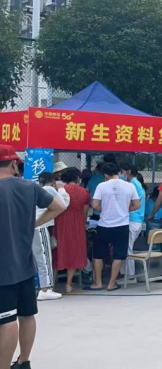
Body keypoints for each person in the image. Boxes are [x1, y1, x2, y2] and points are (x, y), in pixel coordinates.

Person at [0, 145, 66, 369]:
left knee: (6, 320)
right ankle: (24, 360)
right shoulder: (30, 186)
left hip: (3, 270)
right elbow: (58, 206)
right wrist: (33, 224)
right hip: (26, 265)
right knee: (27, 315)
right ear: (13, 164)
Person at [88, 163, 141, 291]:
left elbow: (94, 205)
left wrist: (104, 210)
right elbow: (137, 205)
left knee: (98, 254)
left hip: (104, 225)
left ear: (105, 175)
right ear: (118, 172)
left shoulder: (101, 186)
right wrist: (125, 210)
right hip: (122, 225)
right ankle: (112, 283)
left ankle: (98, 283)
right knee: (119, 254)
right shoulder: (129, 186)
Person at [32, 172, 69, 300]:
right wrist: (62, 190)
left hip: (30, 227)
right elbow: (64, 204)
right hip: (40, 226)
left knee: (36, 259)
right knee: (45, 258)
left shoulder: (36, 189)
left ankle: (41, 287)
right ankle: (46, 289)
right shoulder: (49, 189)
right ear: (52, 181)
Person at [53, 168, 90, 293]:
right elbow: (85, 211)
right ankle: (69, 284)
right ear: (78, 178)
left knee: (58, 249)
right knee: (75, 250)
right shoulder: (85, 192)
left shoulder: (59, 190)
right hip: (77, 222)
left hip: (61, 221)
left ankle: (51, 281)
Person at [117, 163, 146, 281]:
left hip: (133, 220)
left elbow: (130, 202)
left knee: (127, 247)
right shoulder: (137, 184)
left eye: (122, 172)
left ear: (128, 172)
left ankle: (130, 275)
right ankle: (125, 273)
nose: (120, 174)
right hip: (136, 220)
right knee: (126, 246)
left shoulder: (133, 185)